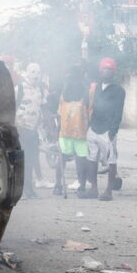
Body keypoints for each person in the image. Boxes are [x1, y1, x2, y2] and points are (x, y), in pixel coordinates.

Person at [81, 57, 125, 201]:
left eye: (109, 69)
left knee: (111, 161)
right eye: (104, 69)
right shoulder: (95, 87)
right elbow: (89, 105)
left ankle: (108, 191)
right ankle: (93, 188)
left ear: (114, 72)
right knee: (91, 159)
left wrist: (113, 131)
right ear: (100, 70)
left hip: (108, 130)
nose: (106, 72)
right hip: (94, 127)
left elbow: (118, 112)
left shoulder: (119, 90)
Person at [17, 63, 52, 197]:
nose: (35, 76)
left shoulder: (40, 90)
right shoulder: (19, 88)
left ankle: (29, 189)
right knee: (21, 161)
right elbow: (13, 107)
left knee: (31, 159)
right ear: (26, 73)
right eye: (32, 72)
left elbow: (44, 108)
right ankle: (21, 190)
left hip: (33, 130)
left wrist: (49, 127)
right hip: (20, 129)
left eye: (37, 73)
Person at [54, 65, 90, 196]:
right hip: (80, 131)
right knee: (81, 159)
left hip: (65, 130)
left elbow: (59, 112)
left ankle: (58, 186)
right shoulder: (85, 90)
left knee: (62, 158)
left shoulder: (65, 90)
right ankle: (81, 187)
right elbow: (89, 110)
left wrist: (57, 129)